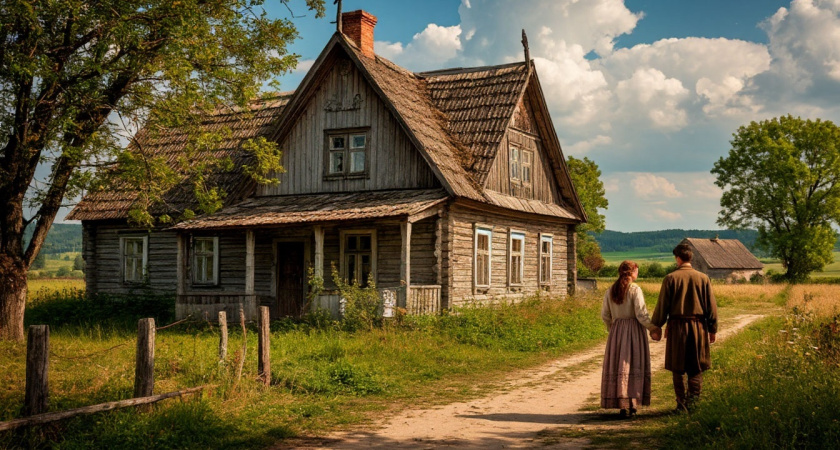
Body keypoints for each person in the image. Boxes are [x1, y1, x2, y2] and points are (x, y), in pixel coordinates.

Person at [651, 243, 718, 412]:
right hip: (699, 327)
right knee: (696, 365)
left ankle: (681, 404)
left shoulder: (670, 278)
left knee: (678, 366)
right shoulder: (703, 278)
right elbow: (711, 306)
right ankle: (693, 403)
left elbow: (662, 306)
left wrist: (656, 326)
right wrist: (713, 328)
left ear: (678, 258)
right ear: (691, 258)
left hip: (677, 327)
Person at [600, 260, 662, 418]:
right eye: (637, 270)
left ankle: (622, 405)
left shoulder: (611, 290)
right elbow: (641, 314)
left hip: (617, 331)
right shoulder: (634, 289)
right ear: (633, 271)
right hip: (633, 331)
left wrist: (612, 329)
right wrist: (652, 328)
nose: (638, 273)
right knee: (633, 363)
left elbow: (605, 315)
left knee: (619, 366)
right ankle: (632, 404)